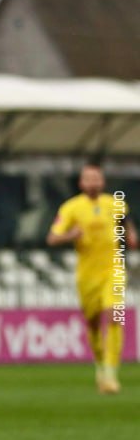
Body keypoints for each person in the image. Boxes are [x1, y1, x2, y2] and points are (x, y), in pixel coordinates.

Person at [47, 161, 137, 394]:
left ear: (103, 181)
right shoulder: (71, 208)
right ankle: (100, 363)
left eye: (97, 178)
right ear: (81, 182)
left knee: (115, 316)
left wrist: (131, 237)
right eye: (89, 178)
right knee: (93, 324)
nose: (93, 182)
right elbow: (52, 238)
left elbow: (125, 226)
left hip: (114, 271)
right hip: (87, 275)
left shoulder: (115, 203)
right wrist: (71, 235)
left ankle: (110, 372)